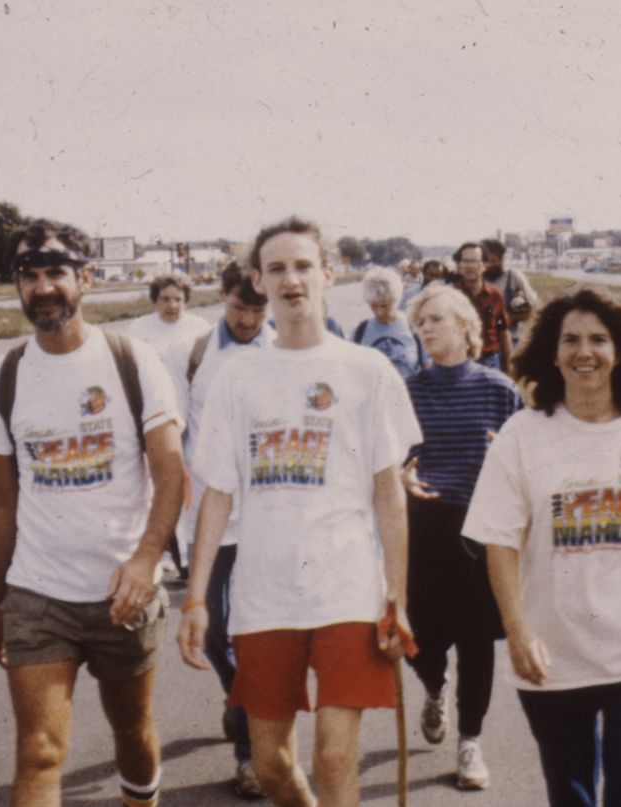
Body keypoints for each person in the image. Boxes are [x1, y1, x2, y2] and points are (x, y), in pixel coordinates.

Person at [178, 216, 420, 807]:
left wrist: (398, 594)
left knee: (335, 757)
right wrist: (195, 596)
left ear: (329, 274)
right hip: (264, 598)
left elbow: (389, 492)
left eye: (304, 265)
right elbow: (218, 494)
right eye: (277, 268)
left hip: (347, 591)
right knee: (272, 766)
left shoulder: (366, 370)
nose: (292, 279)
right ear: (258, 282)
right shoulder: (237, 378)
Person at [463, 289, 621, 806]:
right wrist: (517, 631)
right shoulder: (523, 434)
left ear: (620, 351)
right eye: (571, 340)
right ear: (552, 353)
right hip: (555, 648)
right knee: (571, 792)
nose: (585, 352)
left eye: (599, 340)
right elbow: (499, 542)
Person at [0, 219, 184, 807]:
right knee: (39, 750)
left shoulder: (130, 360)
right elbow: (3, 499)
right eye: (29, 275)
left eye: (56, 272)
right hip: (40, 595)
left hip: (123, 591)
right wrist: (0, 598)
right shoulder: (3, 375)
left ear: (84, 279)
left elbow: (171, 474)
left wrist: (146, 561)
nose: (43, 288)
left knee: (132, 732)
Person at [399, 285, 524, 790]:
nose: (425, 329)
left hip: (480, 530)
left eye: (435, 319)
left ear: (464, 326)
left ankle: (470, 742)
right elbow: (385, 461)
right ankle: (434, 686)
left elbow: (525, 465)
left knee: (476, 644)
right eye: (420, 322)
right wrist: (399, 479)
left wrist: (506, 463)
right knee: (419, 642)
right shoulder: (406, 390)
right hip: (424, 528)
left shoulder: (499, 389)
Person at [163, 261, 273, 799]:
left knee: (258, 633)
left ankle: (250, 749)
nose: (249, 320)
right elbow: (174, 432)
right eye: (239, 309)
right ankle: (239, 701)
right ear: (222, 299)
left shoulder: (281, 348)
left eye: (258, 310)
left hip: (268, 515)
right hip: (209, 516)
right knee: (212, 630)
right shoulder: (196, 353)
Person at [350, 267, 424, 381]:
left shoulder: (415, 327)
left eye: (385, 305)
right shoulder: (360, 331)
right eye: (374, 306)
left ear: (396, 300)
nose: (379, 312)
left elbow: (428, 369)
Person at [452, 242, 511, 373]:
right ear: (459, 266)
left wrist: (509, 369)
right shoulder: (450, 296)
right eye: (465, 261)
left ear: (485, 265)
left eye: (475, 261)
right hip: (460, 361)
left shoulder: (495, 295)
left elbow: (503, 333)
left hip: (489, 361)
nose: (470, 266)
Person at [127, 273, 210, 360]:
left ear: (185, 301)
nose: (172, 306)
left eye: (178, 300)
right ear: (155, 300)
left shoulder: (200, 326)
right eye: (165, 299)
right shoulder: (139, 327)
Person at [480, 239, 537, 348]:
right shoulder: (476, 280)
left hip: (509, 342)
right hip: (482, 344)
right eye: (488, 262)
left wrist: (510, 318)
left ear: (502, 258)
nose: (491, 265)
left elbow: (530, 311)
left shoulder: (514, 277)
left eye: (495, 261)